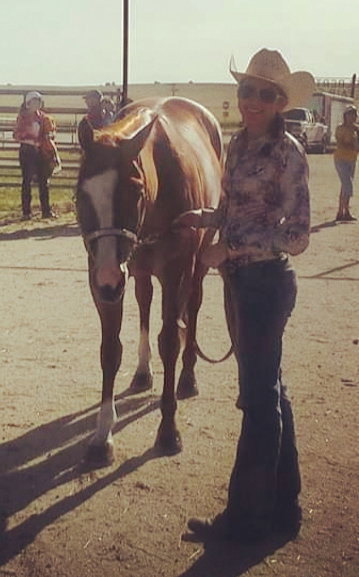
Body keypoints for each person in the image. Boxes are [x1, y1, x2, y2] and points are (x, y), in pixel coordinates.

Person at [173, 48, 313, 543]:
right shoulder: (236, 145)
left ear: (280, 103)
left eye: (264, 94)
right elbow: (230, 207)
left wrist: (230, 246)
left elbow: (298, 236)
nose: (252, 100)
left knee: (256, 400)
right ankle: (284, 508)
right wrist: (203, 219)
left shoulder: (288, 154)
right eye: (246, 90)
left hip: (267, 285)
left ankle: (246, 521)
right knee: (269, 391)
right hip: (239, 282)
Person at [12, 91, 58, 219]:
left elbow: (50, 132)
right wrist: (30, 138)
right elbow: (16, 134)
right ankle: (26, 212)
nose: (37, 103)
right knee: (27, 181)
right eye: (35, 101)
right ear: (29, 103)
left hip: (40, 150)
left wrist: (48, 137)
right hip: (27, 151)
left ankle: (46, 211)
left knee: (44, 181)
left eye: (39, 101)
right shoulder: (23, 118)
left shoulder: (42, 117)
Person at [333, 104, 359, 221]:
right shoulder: (340, 128)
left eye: (353, 114)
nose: (351, 116)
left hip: (352, 159)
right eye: (349, 114)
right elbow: (340, 142)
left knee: (345, 186)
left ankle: (345, 211)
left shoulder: (356, 129)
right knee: (347, 184)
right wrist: (353, 145)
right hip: (341, 159)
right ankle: (340, 211)